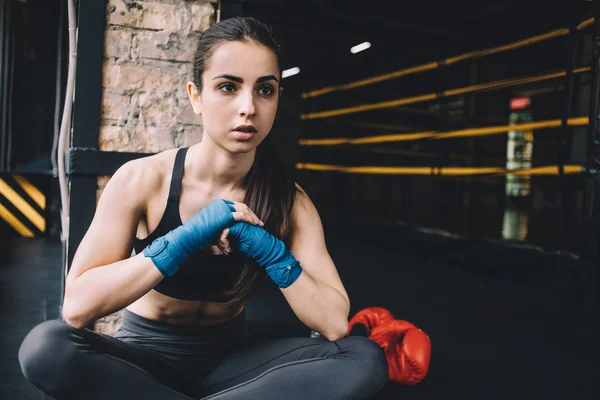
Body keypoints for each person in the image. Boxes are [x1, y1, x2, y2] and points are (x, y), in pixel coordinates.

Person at [18, 17, 388, 400]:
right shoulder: (143, 180)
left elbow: (333, 324)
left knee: (363, 358)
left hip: (233, 364)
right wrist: (186, 237)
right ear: (196, 96)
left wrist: (269, 249)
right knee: (46, 347)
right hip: (144, 360)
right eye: (228, 87)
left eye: (265, 90)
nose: (248, 107)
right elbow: (77, 309)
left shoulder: (290, 202)